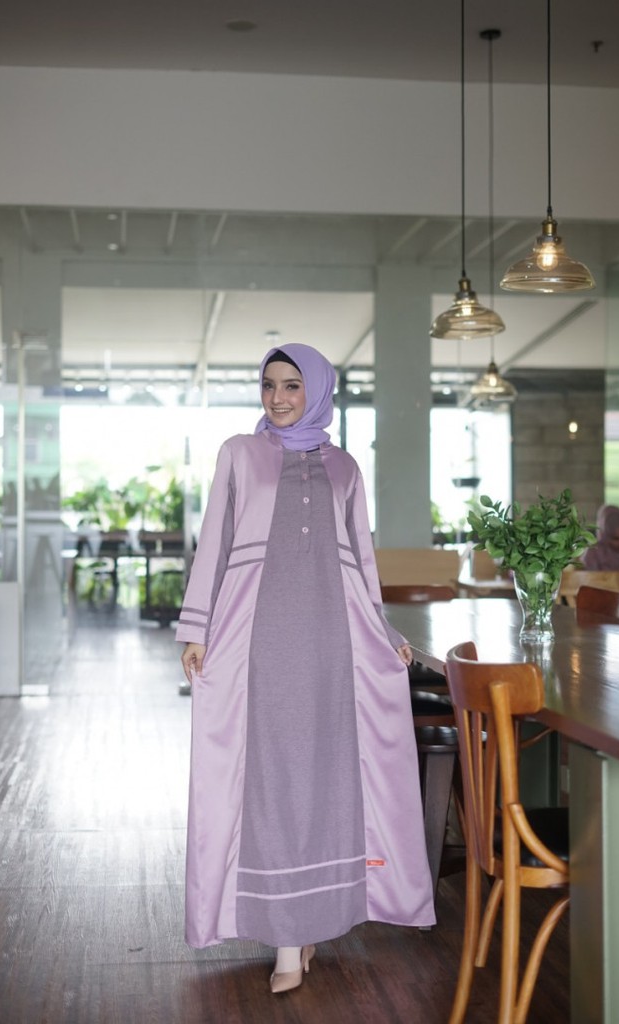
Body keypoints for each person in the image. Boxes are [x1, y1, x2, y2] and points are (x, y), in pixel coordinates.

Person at [176, 343, 435, 994]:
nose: (278, 397)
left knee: (327, 781)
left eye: (292, 385)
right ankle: (287, 941)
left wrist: (384, 632)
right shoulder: (239, 454)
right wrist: (196, 627)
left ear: (317, 390)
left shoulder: (345, 467)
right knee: (272, 782)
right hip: (258, 645)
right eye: (268, 385)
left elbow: (361, 561)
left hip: (332, 646)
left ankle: (309, 924)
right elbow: (214, 544)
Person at [583, 504, 619, 598]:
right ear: (605, 534)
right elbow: (588, 583)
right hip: (601, 599)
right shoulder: (593, 553)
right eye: (615, 538)